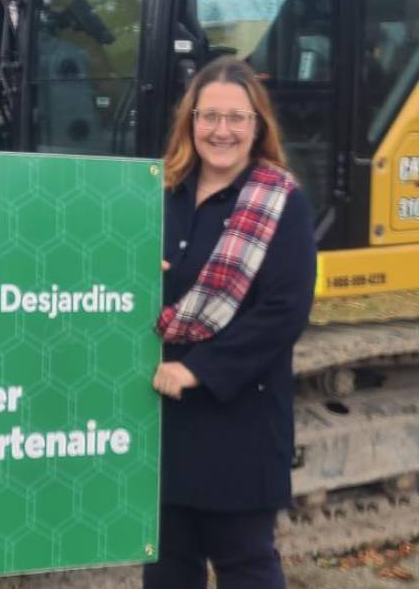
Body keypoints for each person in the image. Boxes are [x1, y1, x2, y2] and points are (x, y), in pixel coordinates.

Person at [144, 56, 316, 589]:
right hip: (161, 423)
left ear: (257, 126)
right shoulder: (160, 193)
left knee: (245, 566)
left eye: (236, 118)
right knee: (168, 568)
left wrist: (199, 370)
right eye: (209, 116)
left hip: (238, 424)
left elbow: (283, 312)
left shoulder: (280, 202)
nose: (222, 131)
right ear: (189, 122)